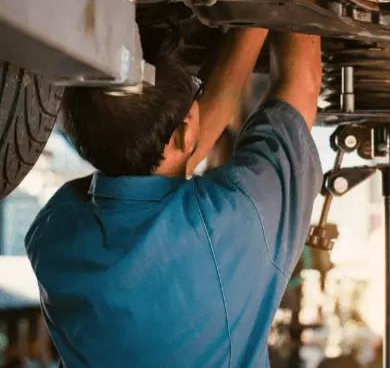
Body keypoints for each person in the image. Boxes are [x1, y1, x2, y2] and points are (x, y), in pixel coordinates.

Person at [24, 28, 324, 368]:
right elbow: (160, 162)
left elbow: (300, 86)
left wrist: (264, 13)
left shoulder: (53, 234)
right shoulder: (54, 228)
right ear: (184, 134)